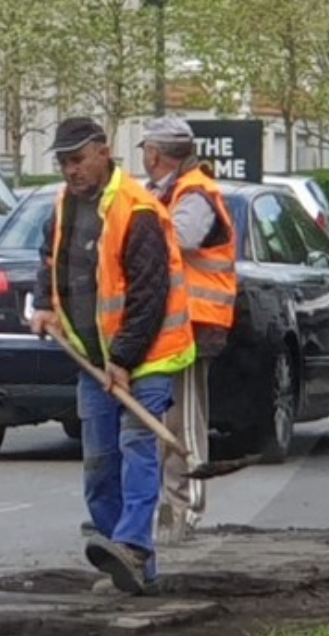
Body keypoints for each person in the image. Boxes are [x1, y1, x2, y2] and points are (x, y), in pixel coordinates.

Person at [37, 114, 193, 597]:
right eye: (64, 162)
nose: (70, 170)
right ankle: (122, 558)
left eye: (77, 160)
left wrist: (123, 358)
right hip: (93, 360)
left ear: (104, 151)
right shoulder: (65, 205)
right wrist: (44, 305)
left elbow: (149, 294)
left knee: (136, 451)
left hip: (146, 358)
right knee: (99, 462)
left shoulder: (137, 209)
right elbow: (50, 258)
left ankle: (132, 545)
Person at [137, 117, 235, 543]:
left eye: (146, 150)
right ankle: (166, 505)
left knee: (185, 421)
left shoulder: (195, 193)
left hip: (195, 323)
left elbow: (176, 239)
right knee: (164, 417)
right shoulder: (166, 191)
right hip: (169, 324)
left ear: (155, 154)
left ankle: (185, 508)